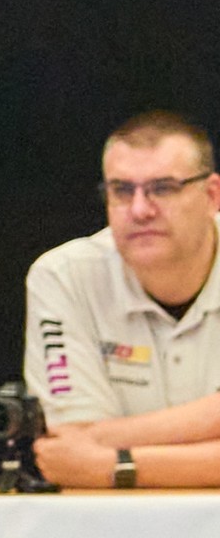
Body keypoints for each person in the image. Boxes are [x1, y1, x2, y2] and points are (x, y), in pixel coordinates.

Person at [29, 110, 220, 490]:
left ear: (212, 195)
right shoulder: (64, 276)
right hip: (113, 521)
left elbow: (84, 453)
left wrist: (116, 464)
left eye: (163, 188)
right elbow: (70, 441)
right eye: (122, 190)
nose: (140, 210)